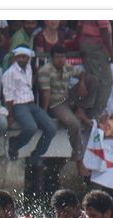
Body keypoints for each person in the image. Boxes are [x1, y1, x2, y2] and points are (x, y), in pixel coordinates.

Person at [38, 45, 95, 178]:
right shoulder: (45, 71)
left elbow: (81, 73)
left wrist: (81, 82)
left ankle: (81, 110)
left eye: (62, 57)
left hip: (68, 98)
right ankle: (79, 161)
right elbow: (45, 94)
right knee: (75, 124)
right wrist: (44, 115)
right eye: (57, 57)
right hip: (55, 104)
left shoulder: (67, 66)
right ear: (52, 58)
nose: (60, 59)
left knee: (92, 80)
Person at [1, 47, 56, 163]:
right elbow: (8, 96)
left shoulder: (29, 68)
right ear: (15, 58)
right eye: (19, 57)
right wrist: (10, 114)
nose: (21, 59)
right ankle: (15, 144)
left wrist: (36, 73)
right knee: (31, 127)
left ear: (28, 58)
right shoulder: (9, 73)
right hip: (18, 105)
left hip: (31, 104)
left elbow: (28, 84)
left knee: (51, 129)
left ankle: (36, 155)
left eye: (24, 57)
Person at [77, 20, 113, 119]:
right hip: (96, 46)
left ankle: (88, 112)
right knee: (106, 82)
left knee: (93, 80)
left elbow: (79, 27)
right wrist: (111, 52)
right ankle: (95, 115)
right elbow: (104, 30)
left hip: (87, 43)